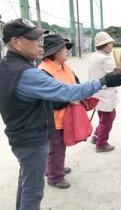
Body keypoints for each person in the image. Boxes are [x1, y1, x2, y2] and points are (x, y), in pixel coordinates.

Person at [0, 18, 121, 210]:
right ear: (16, 42)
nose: (40, 43)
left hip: (21, 134)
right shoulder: (28, 73)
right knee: (33, 191)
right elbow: (68, 92)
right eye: (34, 39)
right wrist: (104, 81)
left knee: (27, 182)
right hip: (32, 138)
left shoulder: (7, 66)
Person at [37, 34, 78, 189]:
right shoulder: (44, 71)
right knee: (56, 148)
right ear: (54, 52)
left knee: (58, 147)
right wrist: (69, 99)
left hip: (63, 117)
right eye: (63, 48)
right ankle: (55, 177)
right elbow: (49, 100)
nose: (67, 51)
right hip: (52, 119)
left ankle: (54, 168)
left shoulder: (64, 66)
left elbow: (77, 85)